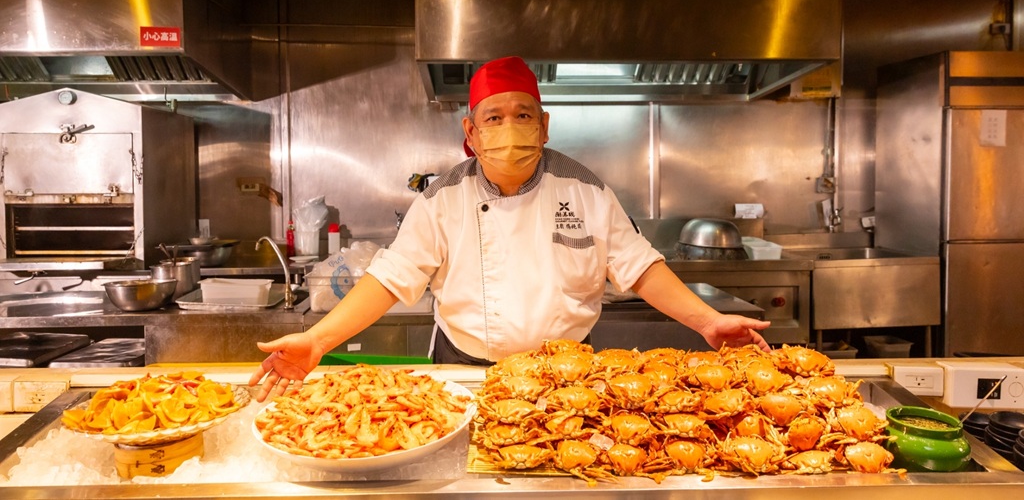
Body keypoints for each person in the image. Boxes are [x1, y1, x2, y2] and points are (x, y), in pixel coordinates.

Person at [249, 56, 770, 401]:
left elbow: (638, 267)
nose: (510, 128)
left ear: (544, 126)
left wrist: (706, 322)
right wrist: (317, 341)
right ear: (471, 132)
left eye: (523, 115)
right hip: (465, 373)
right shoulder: (442, 198)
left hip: (566, 378)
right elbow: (390, 278)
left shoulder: (586, 190)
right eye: (493, 118)